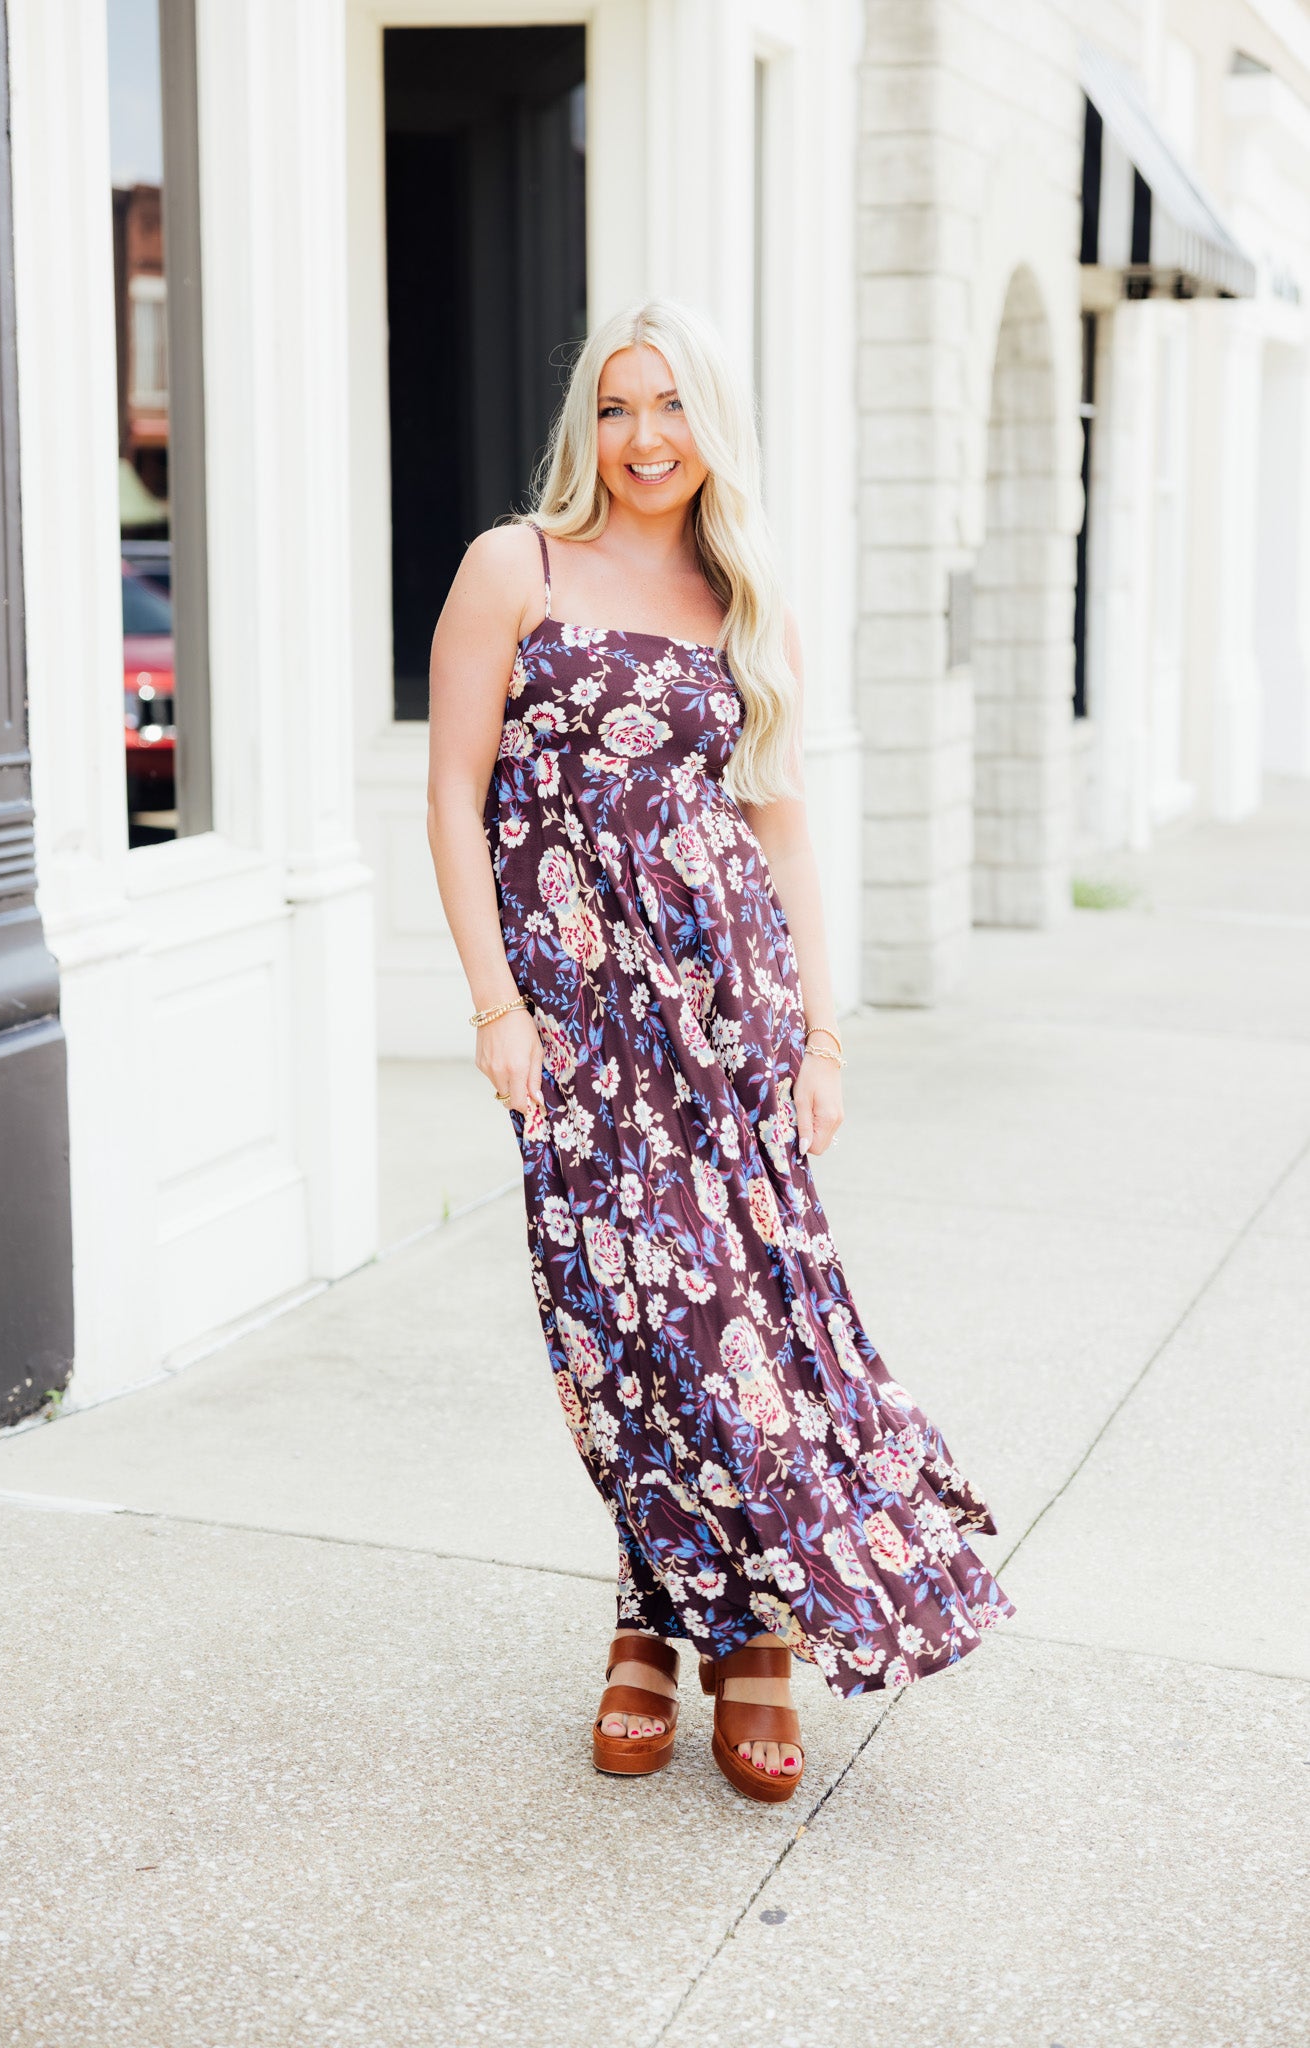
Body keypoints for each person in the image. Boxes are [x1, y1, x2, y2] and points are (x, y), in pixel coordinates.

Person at [426, 300, 1013, 1805]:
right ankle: (651, 1603)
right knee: (615, 1329)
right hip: (573, 1018)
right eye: (615, 407)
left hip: (725, 1009)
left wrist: (818, 1029)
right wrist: (497, 1007)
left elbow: (781, 827)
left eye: (669, 407)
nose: (641, 440)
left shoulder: (746, 603)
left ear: (712, 425)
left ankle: (734, 1641)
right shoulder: (517, 566)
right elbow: (451, 792)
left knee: (743, 1323)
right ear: (585, 423)